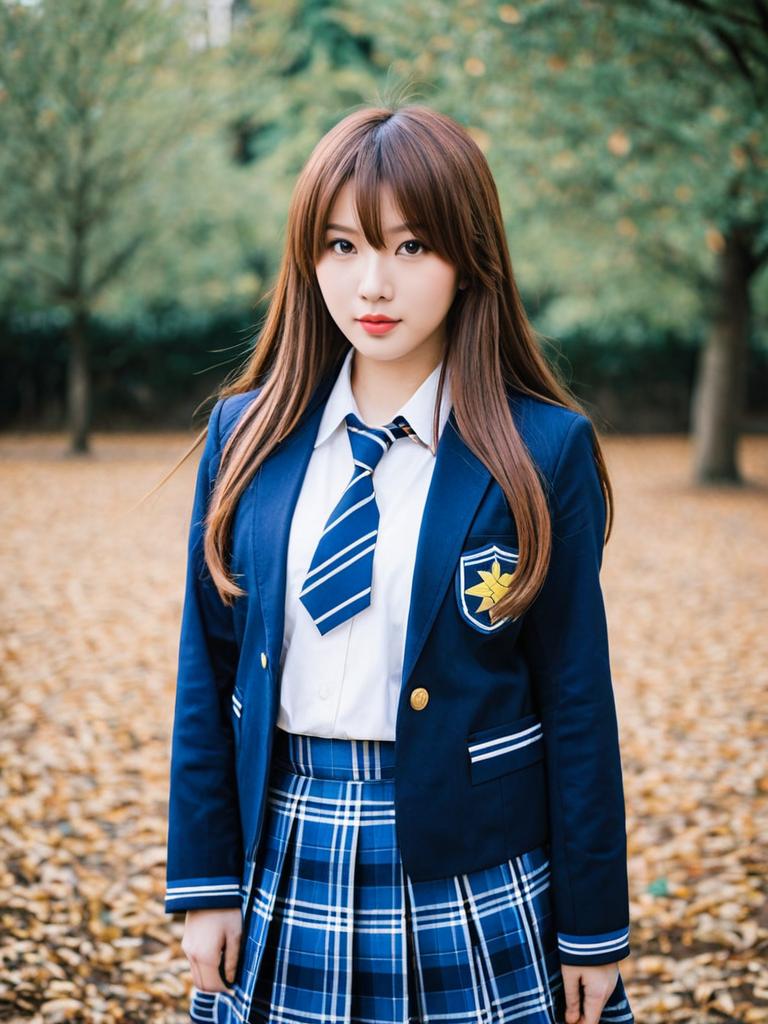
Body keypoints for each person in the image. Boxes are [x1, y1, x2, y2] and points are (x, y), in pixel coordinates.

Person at [163, 102, 635, 1024]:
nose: (372, 282)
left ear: (469, 262)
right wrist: (205, 879)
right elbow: (206, 668)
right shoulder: (246, 436)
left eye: (412, 246)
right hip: (286, 850)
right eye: (342, 246)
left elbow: (578, 699)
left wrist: (593, 928)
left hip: (477, 876)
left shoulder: (542, 452)